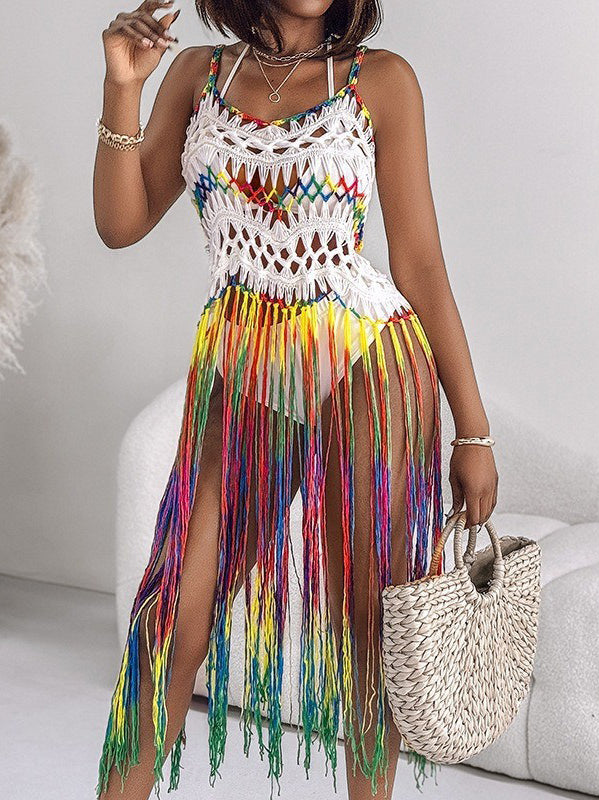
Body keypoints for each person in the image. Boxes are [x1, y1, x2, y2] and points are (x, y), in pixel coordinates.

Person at [93, 1, 499, 798]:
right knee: (169, 622)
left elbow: (419, 263)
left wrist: (473, 431)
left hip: (367, 367)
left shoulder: (381, 81)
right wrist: (121, 88)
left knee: (369, 636)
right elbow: (120, 223)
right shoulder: (197, 75)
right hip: (248, 367)